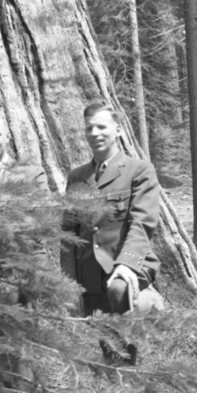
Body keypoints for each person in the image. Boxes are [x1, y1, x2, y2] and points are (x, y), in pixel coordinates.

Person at [61, 103, 164, 316]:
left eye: (101, 127)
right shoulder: (76, 177)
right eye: (89, 128)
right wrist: (68, 281)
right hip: (88, 272)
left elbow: (142, 223)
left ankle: (147, 306)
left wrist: (126, 264)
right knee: (105, 337)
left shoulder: (139, 171)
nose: (94, 133)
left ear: (118, 130)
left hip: (127, 264)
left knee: (120, 293)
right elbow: (68, 234)